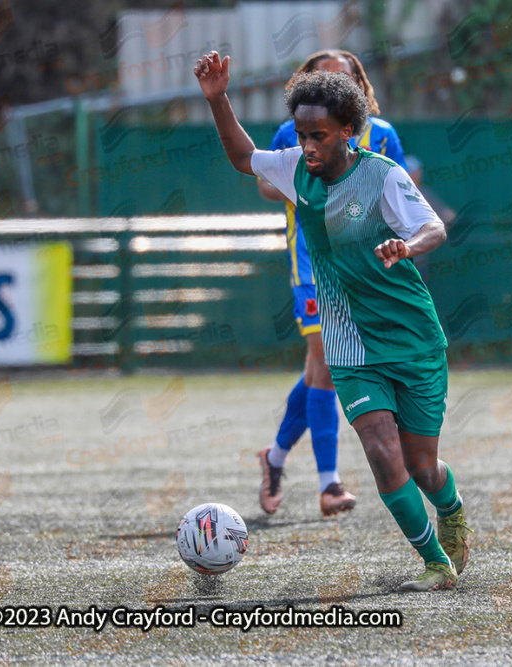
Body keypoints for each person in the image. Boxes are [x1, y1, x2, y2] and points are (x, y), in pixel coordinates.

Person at [195, 52, 473, 591]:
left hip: (412, 337)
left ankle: (452, 507)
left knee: (422, 467)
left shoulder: (383, 176)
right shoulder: (297, 170)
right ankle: (436, 562)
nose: (307, 146)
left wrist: (406, 245)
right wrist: (217, 99)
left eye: (319, 135)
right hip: (350, 344)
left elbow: (434, 228)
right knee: (379, 450)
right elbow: (243, 156)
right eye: (301, 135)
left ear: (349, 130)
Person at [255, 50, 407, 519]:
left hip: (365, 270)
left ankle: (275, 457)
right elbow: (264, 180)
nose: (333, 86)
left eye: (343, 79)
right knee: (325, 358)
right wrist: (300, 179)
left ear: (359, 85)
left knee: (324, 370)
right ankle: (329, 484)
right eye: (322, 78)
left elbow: (402, 196)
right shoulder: (296, 131)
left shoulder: (382, 137)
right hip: (313, 265)